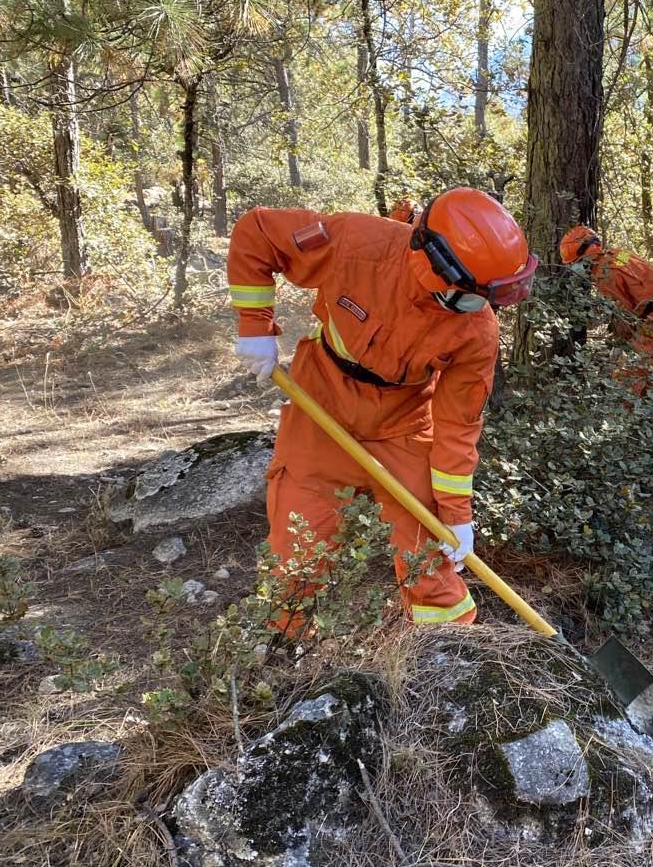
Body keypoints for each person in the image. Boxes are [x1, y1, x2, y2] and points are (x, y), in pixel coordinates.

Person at [227, 187, 538, 633]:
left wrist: (456, 514)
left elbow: (457, 426)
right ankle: (285, 648)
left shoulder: (477, 332)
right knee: (300, 545)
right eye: (471, 294)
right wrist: (255, 323)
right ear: (435, 267)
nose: (479, 307)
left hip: (403, 421)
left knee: (429, 552)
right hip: (322, 403)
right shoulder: (356, 242)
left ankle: (450, 647)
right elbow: (258, 232)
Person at [557, 225, 653, 369]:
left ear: (586, 257)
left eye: (575, 262)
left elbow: (624, 315)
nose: (574, 268)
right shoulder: (617, 253)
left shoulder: (604, 277)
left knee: (633, 373)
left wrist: (620, 344)